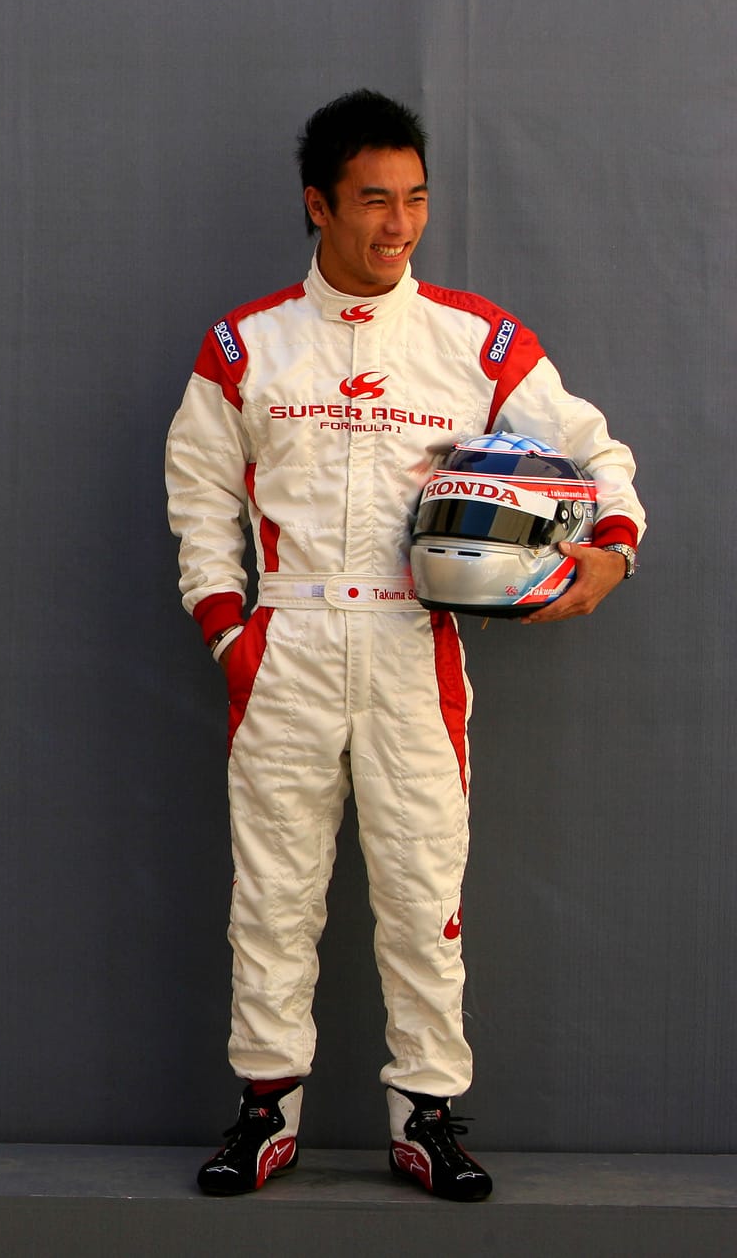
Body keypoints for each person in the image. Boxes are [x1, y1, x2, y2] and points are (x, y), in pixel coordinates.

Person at [164, 89, 643, 1201]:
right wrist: (229, 631)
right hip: (284, 645)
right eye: (374, 200)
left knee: (424, 889)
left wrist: (611, 550)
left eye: (416, 199)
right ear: (317, 205)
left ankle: (426, 1116)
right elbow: (197, 499)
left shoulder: (475, 340)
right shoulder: (244, 345)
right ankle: (264, 1112)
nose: (399, 224)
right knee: (271, 892)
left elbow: (594, 450)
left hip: (411, 644)